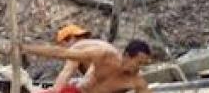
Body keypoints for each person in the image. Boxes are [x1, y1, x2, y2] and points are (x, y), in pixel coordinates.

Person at [20, 38, 154, 93]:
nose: (139, 68)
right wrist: (26, 48)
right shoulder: (104, 56)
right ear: (127, 56)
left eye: (143, 64)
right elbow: (62, 53)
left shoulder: (137, 82)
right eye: (138, 62)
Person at [50, 24, 94, 91]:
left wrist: (53, 90)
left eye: (82, 37)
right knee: (73, 82)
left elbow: (66, 73)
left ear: (65, 41)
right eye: (78, 37)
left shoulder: (77, 49)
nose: (82, 39)